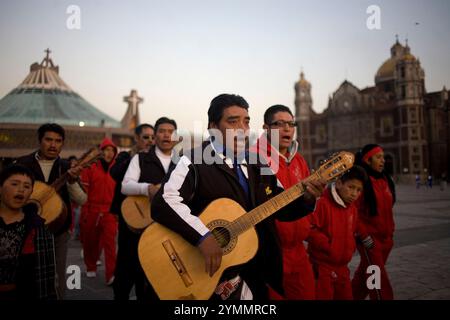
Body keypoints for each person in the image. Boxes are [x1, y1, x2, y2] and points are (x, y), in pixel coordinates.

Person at [151, 94, 325, 300]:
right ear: (213, 127)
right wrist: (203, 236)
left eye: (246, 121)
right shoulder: (192, 160)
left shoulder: (259, 163)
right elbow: (164, 201)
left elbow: (281, 206)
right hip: (212, 273)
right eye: (233, 121)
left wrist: (307, 198)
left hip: (257, 270)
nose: (242, 128)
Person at [15, 123, 87, 299]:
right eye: (48, 140)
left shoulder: (65, 167)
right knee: (25, 274)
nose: (53, 145)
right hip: (25, 231)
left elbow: (82, 199)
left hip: (58, 231)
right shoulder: (23, 163)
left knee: (57, 277)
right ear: (40, 141)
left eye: (58, 141)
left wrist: (71, 181)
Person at [254, 105, 315, 299]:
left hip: (299, 251)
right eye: (279, 124)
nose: (287, 129)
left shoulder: (299, 160)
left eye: (291, 124)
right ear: (266, 128)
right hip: (270, 252)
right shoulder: (254, 159)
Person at [307, 166, 367, 300]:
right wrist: (327, 245)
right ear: (339, 183)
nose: (354, 194)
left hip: (343, 268)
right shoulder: (322, 203)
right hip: (323, 268)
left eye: (359, 190)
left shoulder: (352, 209)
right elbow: (309, 228)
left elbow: (353, 229)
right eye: (351, 187)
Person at [111, 123, 155, 300]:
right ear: (137, 139)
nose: (150, 141)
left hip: (148, 220)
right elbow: (115, 173)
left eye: (153, 138)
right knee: (125, 265)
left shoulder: (155, 160)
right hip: (128, 219)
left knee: (144, 271)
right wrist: (136, 157)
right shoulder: (125, 156)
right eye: (146, 137)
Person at [0, 164, 56, 300]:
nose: (21, 190)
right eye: (14, 184)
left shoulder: (39, 228)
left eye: (26, 186)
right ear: (0, 187)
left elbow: (46, 276)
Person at [351, 144, 396, 300]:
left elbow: (388, 210)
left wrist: (391, 232)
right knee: (377, 279)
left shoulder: (385, 180)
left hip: (386, 239)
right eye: (378, 157)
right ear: (367, 160)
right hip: (370, 241)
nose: (383, 161)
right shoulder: (361, 183)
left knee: (366, 274)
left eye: (383, 157)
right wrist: (364, 236)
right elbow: (353, 212)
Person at [80, 138, 118, 285]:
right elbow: (84, 192)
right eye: (106, 150)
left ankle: (111, 275)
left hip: (110, 211)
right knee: (91, 242)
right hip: (92, 210)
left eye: (112, 150)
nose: (109, 153)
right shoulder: (90, 167)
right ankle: (90, 265)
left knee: (110, 245)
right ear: (100, 152)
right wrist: (85, 212)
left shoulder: (117, 168)